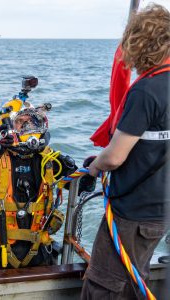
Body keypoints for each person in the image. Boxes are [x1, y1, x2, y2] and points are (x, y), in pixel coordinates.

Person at [81, 4, 170, 299]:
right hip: (161, 211)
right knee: (134, 282)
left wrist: (95, 167)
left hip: (134, 212)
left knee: (105, 286)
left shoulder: (147, 91)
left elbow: (116, 156)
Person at [0, 104, 77, 269]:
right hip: (1, 253)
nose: (28, 127)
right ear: (7, 127)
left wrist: (90, 169)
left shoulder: (49, 159)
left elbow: (81, 185)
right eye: (21, 122)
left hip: (41, 251)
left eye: (33, 122)